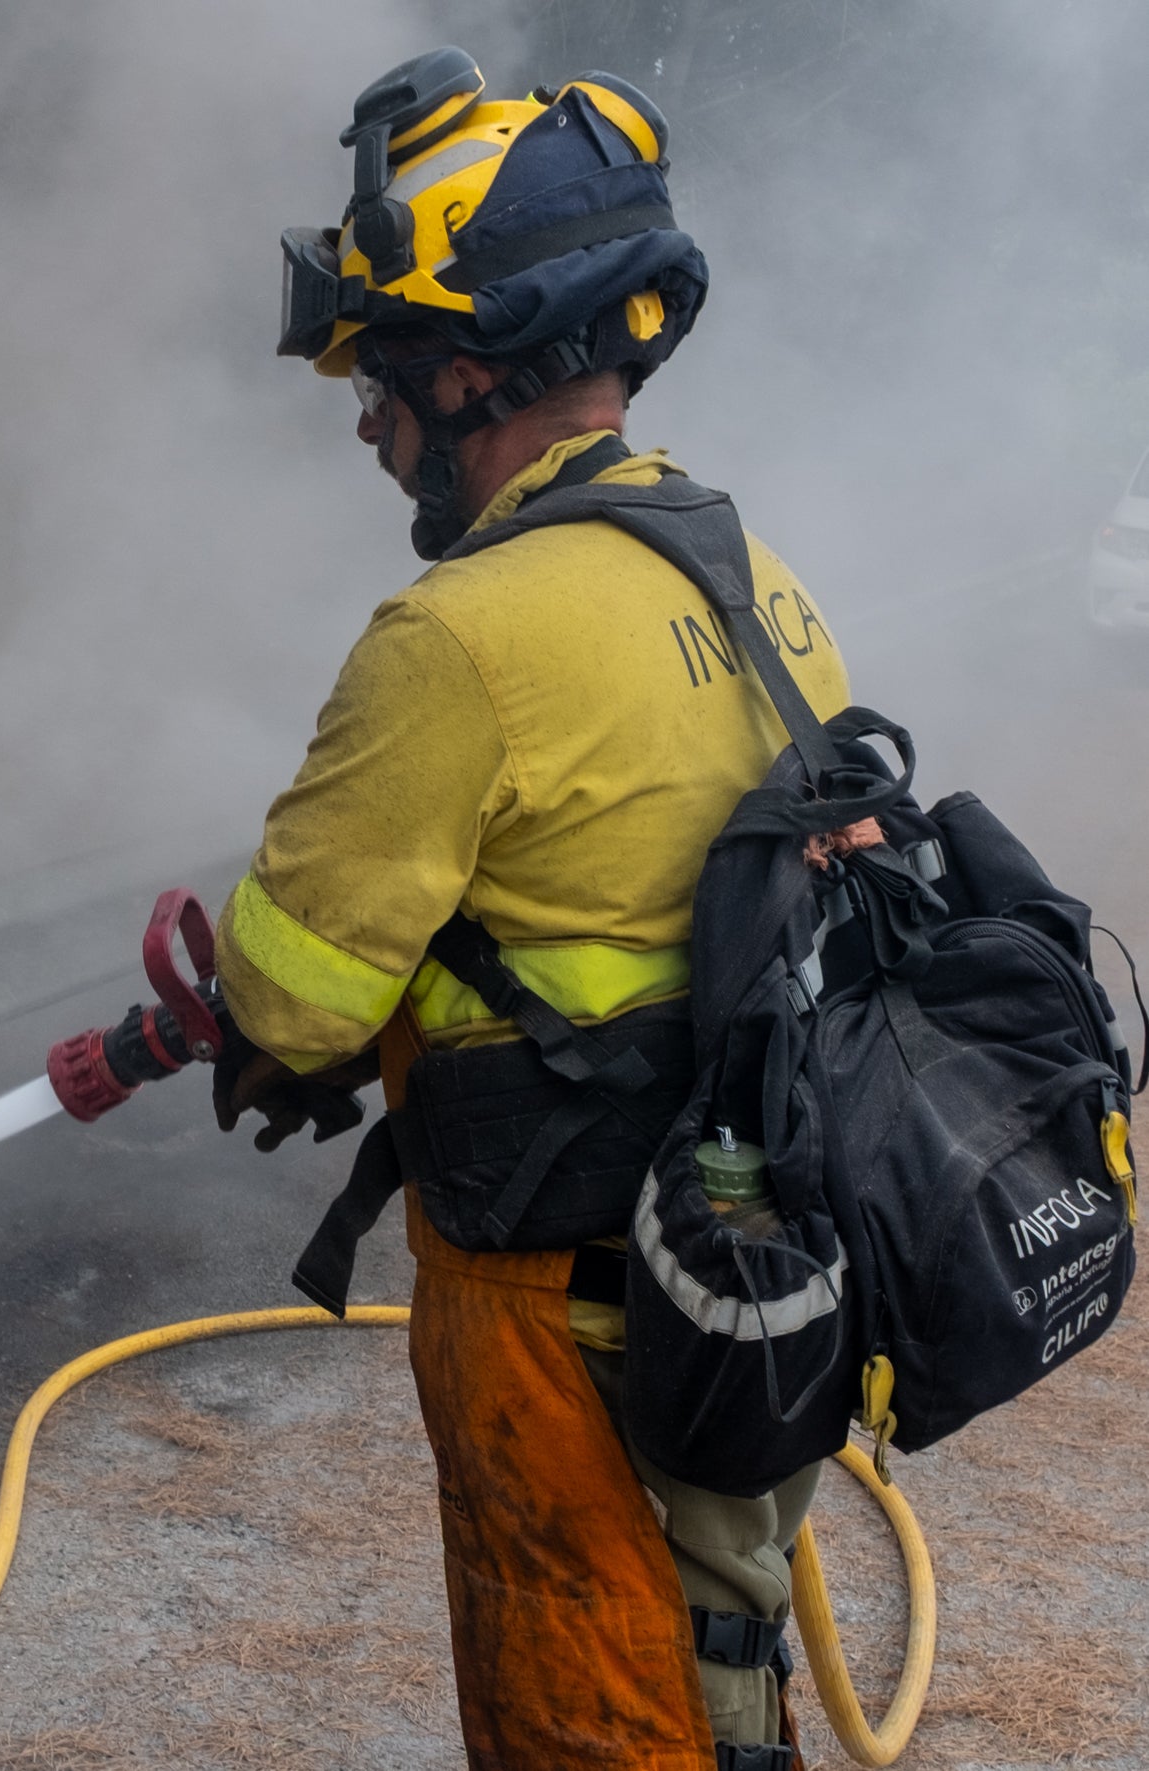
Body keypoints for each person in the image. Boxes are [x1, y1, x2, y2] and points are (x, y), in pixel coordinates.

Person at [210, 49, 848, 1771]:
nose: (369, 426)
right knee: (717, 1679)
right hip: (740, 1276)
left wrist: (248, 1008)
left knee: (592, 1716)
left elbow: (291, 1009)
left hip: (564, 1316)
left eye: (382, 382)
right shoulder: (749, 576)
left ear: (466, 367)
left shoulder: (457, 640)